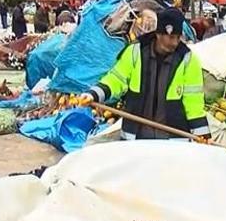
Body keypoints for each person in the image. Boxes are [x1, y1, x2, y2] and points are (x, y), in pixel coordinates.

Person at [81, 8, 209, 141]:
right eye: (171, 37)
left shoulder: (187, 59)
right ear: (159, 34)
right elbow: (115, 80)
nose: (175, 43)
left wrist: (202, 134)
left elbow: (194, 102)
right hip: (136, 139)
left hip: (173, 142)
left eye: (178, 38)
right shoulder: (135, 52)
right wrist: (93, 94)